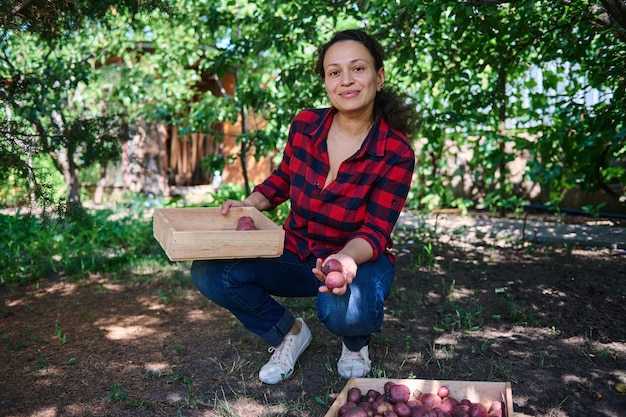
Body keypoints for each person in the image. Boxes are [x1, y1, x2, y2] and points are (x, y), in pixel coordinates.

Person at [191, 28, 417, 385]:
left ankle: (355, 342)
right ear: (326, 81)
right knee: (211, 272)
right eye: (334, 71)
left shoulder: (396, 151)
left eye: (358, 68)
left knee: (344, 310)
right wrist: (251, 204)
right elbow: (285, 177)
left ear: (379, 76)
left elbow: (375, 230)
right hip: (296, 251)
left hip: (357, 260)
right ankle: (289, 332)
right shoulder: (305, 124)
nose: (346, 80)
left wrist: (343, 260)